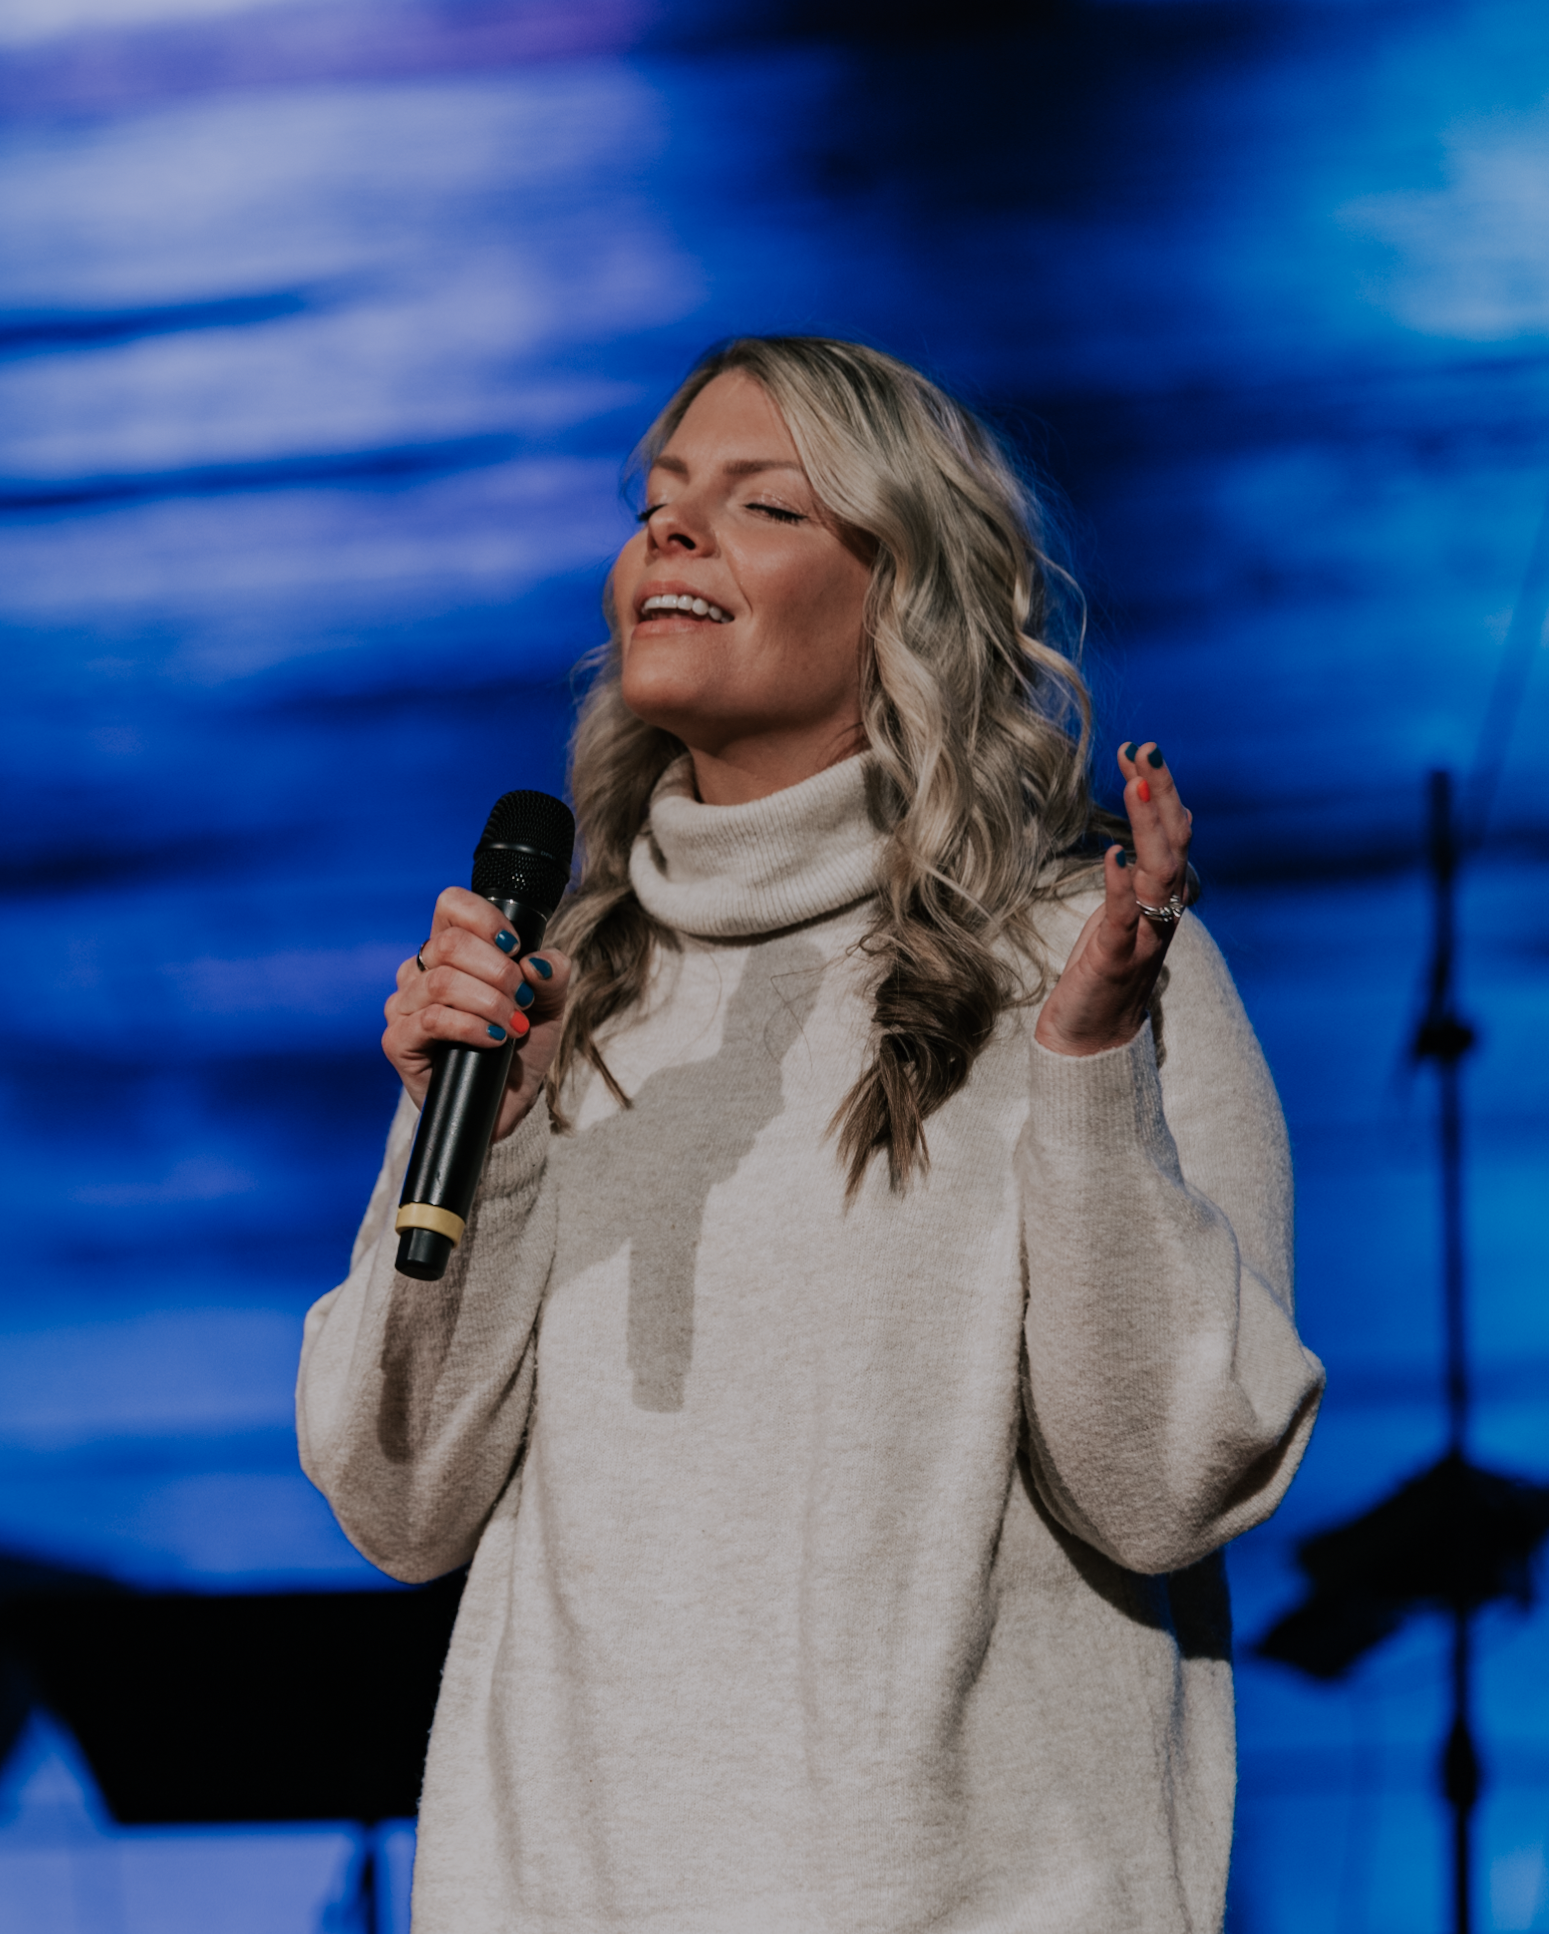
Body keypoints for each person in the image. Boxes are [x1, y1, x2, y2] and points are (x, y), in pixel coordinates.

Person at [296, 336, 1323, 1933]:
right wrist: (480, 1129)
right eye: (658, 502)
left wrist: (1088, 1067)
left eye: (763, 504)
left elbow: (1165, 1486)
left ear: (906, 595)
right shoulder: (560, 988)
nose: (673, 532)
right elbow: (397, 1499)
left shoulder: (1088, 961)